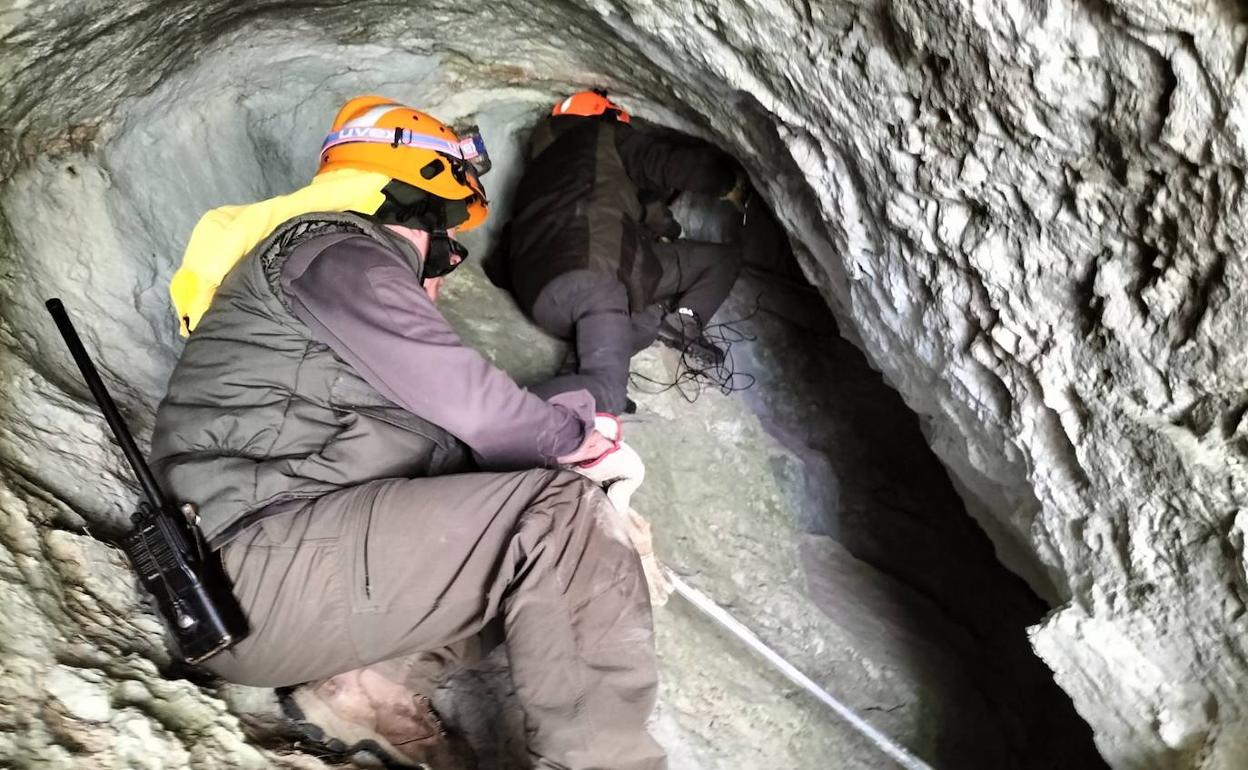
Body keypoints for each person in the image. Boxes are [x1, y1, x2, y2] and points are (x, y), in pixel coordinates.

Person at [149, 96, 665, 770]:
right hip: (258, 573)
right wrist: (581, 452)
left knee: (536, 510)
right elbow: (478, 411)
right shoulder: (337, 252)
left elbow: (460, 443)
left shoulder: (323, 293)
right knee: (560, 515)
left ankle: (367, 687)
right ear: (418, 196)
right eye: (444, 244)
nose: (444, 271)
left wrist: (569, 435)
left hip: (267, 580)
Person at [488, 89, 747, 415]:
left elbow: (499, 263)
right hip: (592, 277)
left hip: (538, 295)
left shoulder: (536, 173)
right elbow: (669, 164)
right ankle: (492, 418)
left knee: (643, 317)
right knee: (607, 392)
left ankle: (578, 370)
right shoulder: (604, 134)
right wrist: (730, 184)